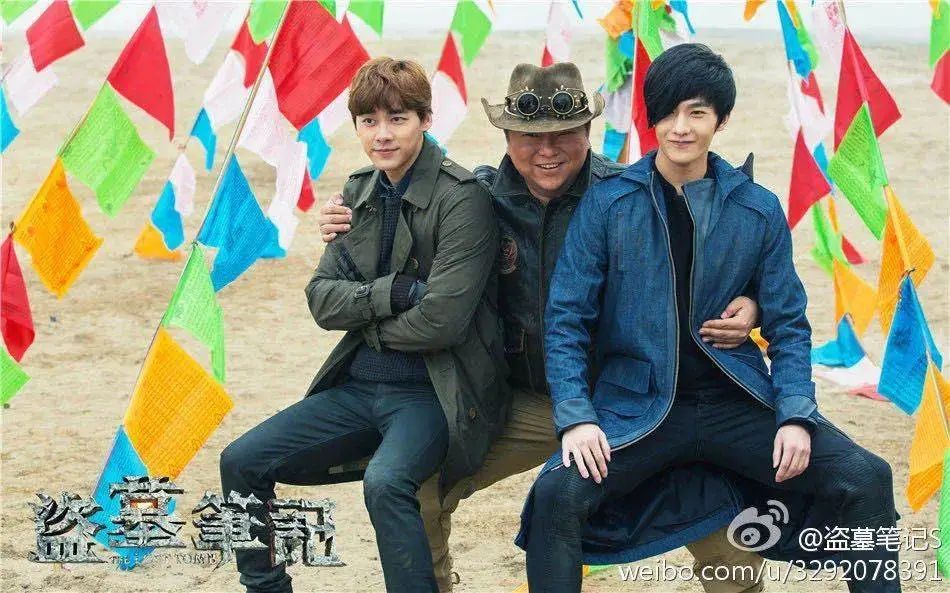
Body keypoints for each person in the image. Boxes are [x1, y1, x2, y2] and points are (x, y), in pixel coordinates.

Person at [320, 61, 768, 593]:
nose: (546, 151)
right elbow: (407, 238)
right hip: (517, 400)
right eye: (530, 137)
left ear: (588, 132)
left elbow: (721, 255)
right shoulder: (477, 200)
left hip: (625, 403)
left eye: (564, 135)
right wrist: (349, 220)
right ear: (507, 137)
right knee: (419, 485)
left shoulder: (632, 194)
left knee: (723, 531)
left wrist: (753, 302)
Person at [522, 43, 899, 593]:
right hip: (638, 407)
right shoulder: (609, 205)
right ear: (651, 118)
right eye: (669, 113)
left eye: (697, 113)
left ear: (721, 120)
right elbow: (566, 321)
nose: (681, 128)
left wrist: (796, 414)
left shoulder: (757, 208)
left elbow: (790, 325)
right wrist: (577, 418)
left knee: (866, 477)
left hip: (734, 400)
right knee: (557, 495)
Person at [220, 57, 509, 593]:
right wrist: (392, 293)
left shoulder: (461, 197)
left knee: (386, 482)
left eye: (398, 118)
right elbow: (322, 301)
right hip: (359, 388)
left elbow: (441, 323)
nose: (382, 135)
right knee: (240, 462)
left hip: (432, 391)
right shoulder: (357, 192)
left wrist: (367, 321)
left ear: (425, 119)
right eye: (368, 121)